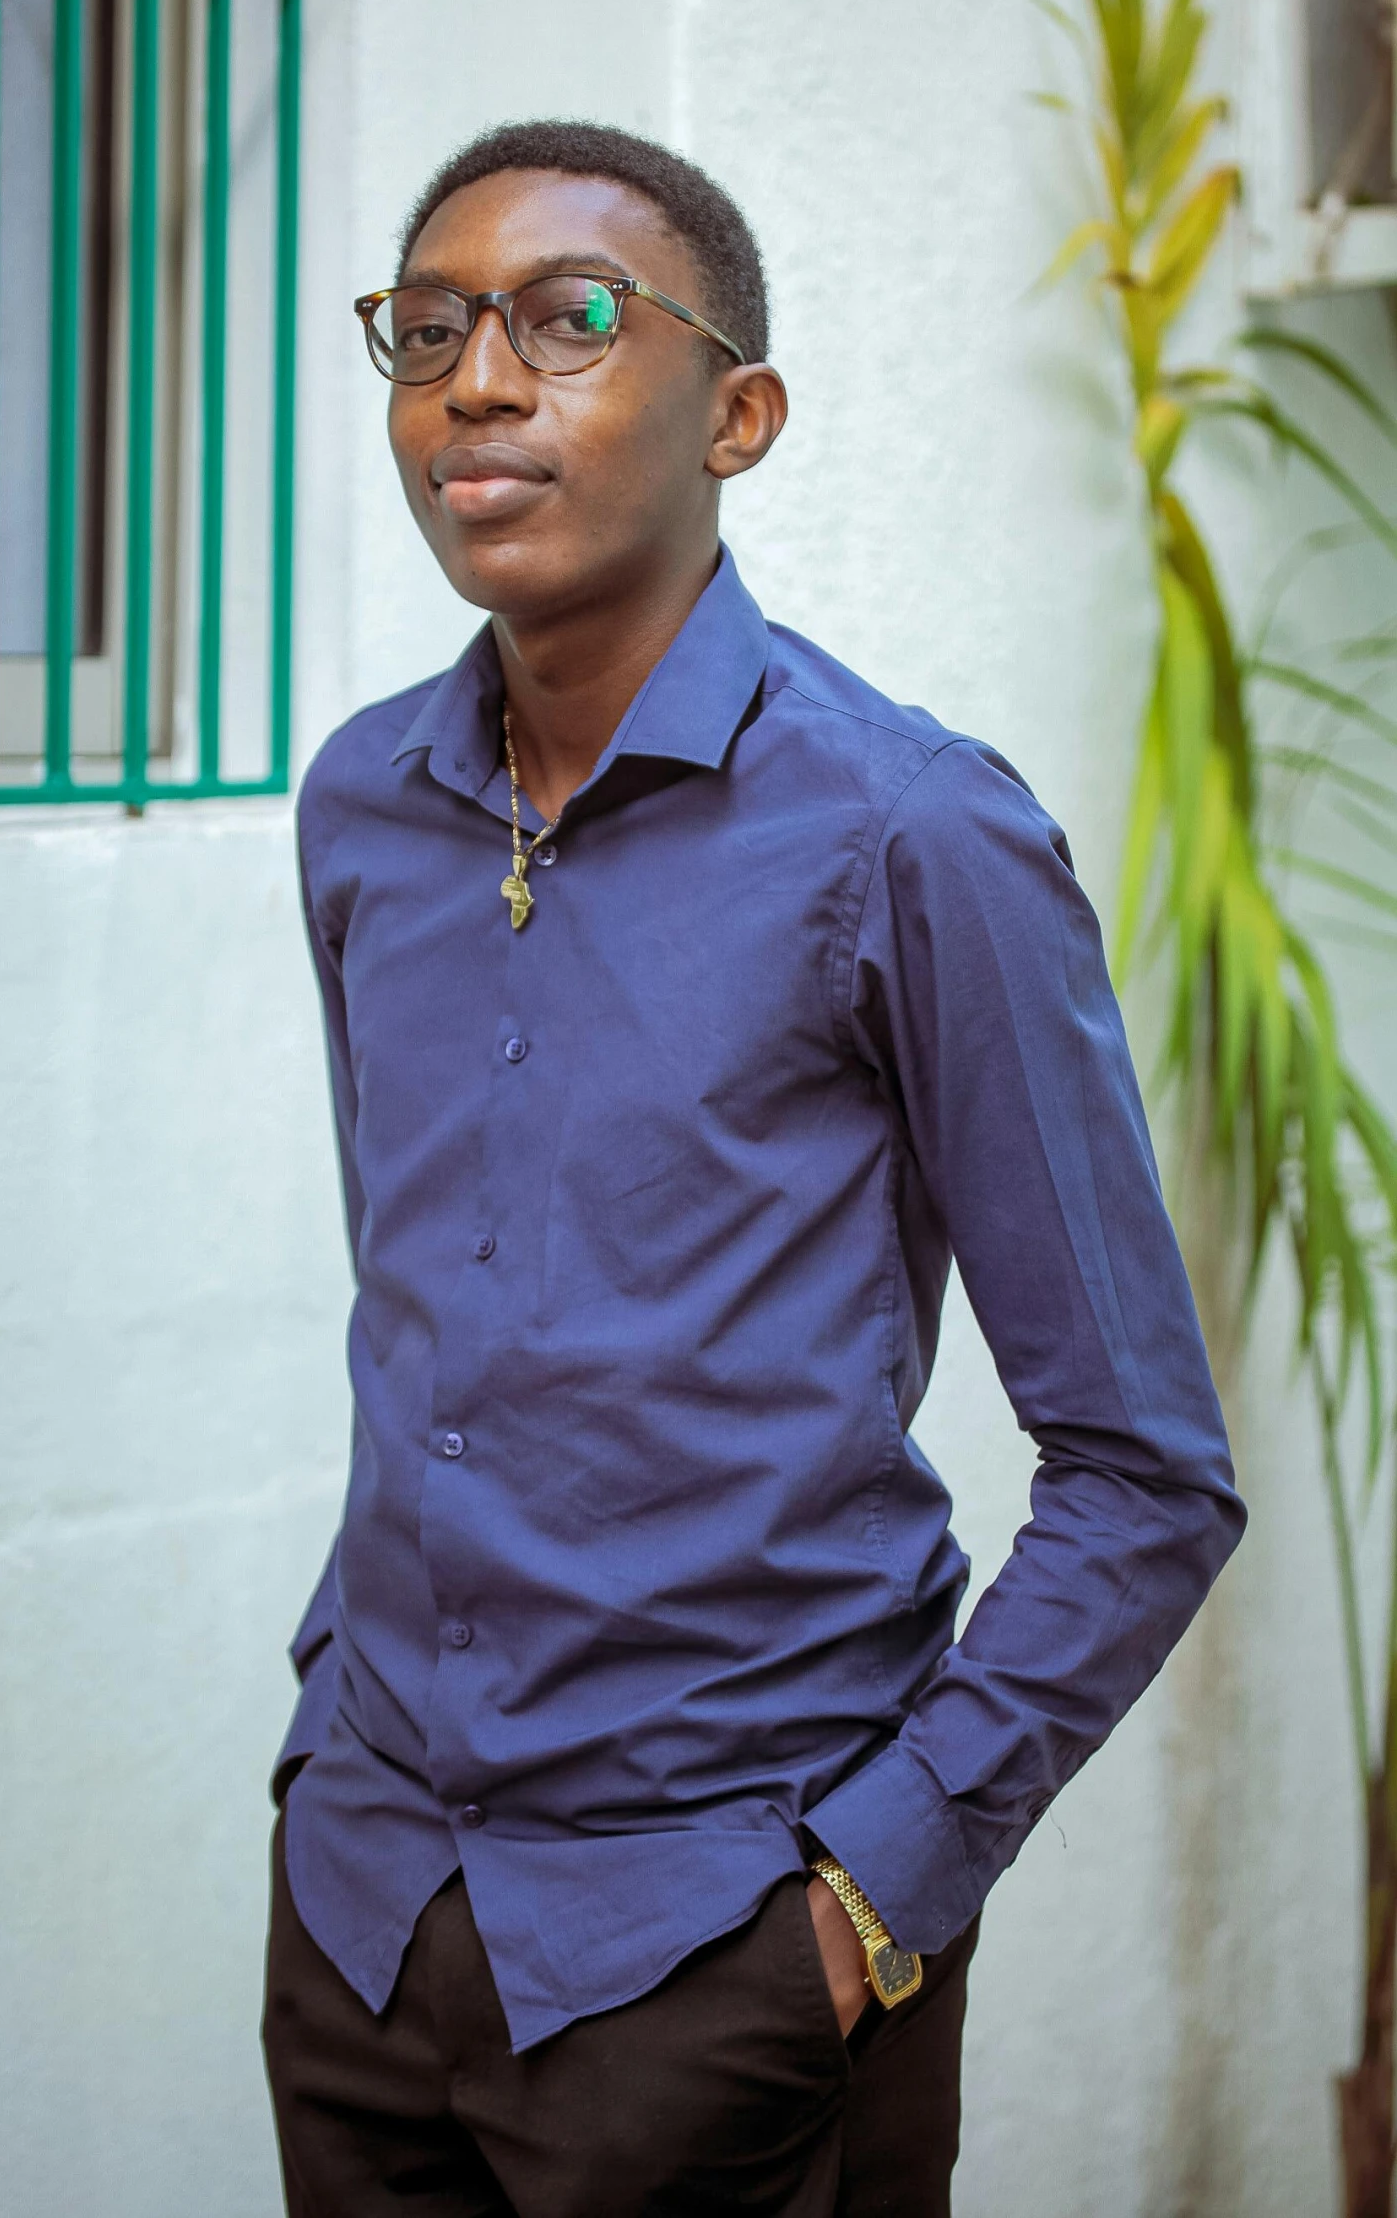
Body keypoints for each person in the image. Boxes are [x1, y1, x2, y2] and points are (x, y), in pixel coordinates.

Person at [261, 119, 1244, 2218]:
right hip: (363, 1919)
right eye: (428, 327)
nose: (480, 380)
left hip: (719, 1946)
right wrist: (326, 1739)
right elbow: (436, 1339)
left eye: (570, 318)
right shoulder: (367, 812)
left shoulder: (914, 836)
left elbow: (1150, 1468)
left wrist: (871, 1900)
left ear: (743, 415)